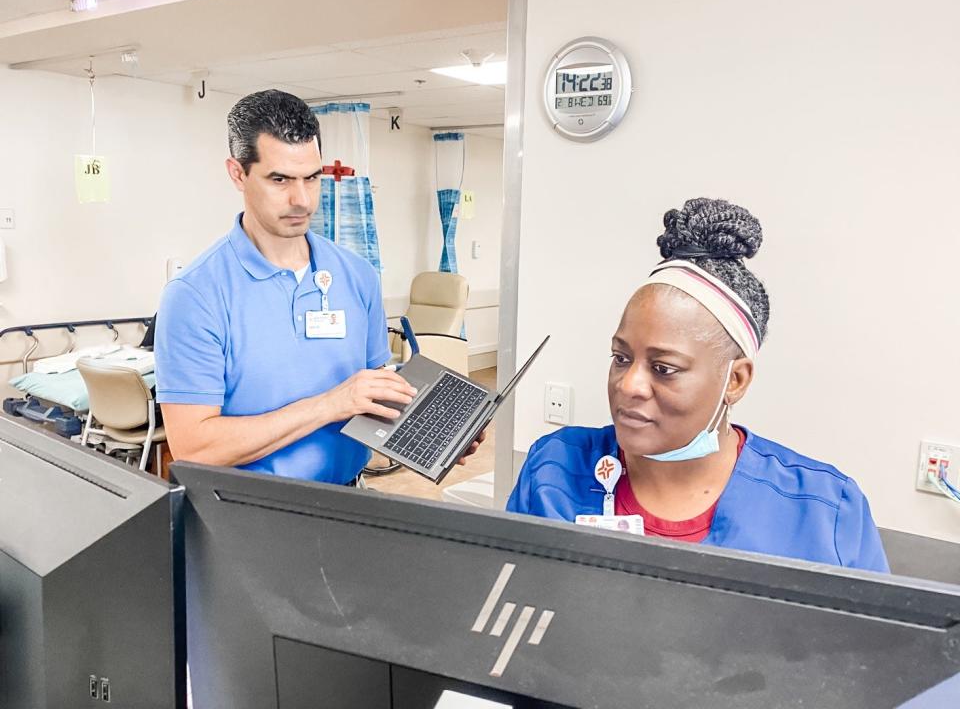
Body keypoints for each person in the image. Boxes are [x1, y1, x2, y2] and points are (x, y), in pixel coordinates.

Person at [507, 198, 889, 571]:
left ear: (735, 380)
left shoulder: (825, 512)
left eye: (663, 368)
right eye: (621, 358)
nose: (629, 386)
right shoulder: (553, 469)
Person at [155, 90, 479, 484]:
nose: (302, 200)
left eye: (312, 178)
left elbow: (373, 396)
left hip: (347, 499)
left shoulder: (357, 275)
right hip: (245, 518)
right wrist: (329, 405)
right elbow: (195, 447)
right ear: (237, 173)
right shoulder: (196, 295)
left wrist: (437, 431)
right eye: (280, 180)